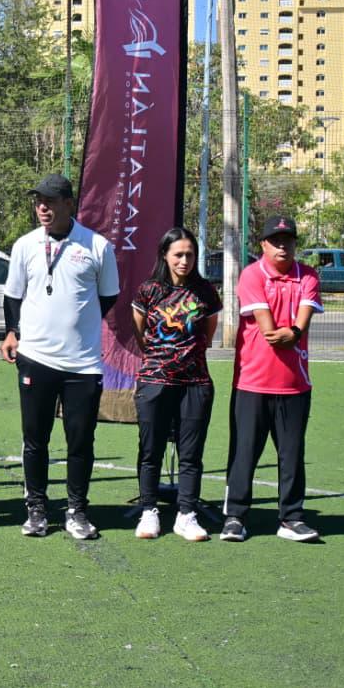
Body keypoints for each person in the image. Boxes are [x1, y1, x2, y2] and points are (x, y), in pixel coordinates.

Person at [1, 173, 119, 540]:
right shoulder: (24, 245)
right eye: (38, 200)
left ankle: (77, 511)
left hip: (82, 364)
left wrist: (76, 325)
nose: (42, 207)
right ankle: (36, 509)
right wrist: (13, 332)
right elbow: (13, 295)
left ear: (70, 204)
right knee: (35, 438)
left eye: (50, 201)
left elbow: (108, 297)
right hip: (35, 357)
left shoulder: (98, 246)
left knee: (80, 440)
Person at [221, 215, 323, 543]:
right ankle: (235, 517)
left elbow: (297, 329)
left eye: (288, 240)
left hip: (295, 385)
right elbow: (270, 333)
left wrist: (293, 330)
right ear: (263, 244)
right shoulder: (251, 275)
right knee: (244, 453)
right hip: (252, 383)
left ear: (295, 243)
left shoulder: (308, 276)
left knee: (291, 453)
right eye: (275, 240)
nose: (282, 245)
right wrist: (290, 330)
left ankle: (291, 518)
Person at [130, 227, 221, 541]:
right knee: (150, 450)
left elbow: (207, 335)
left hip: (195, 382)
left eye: (190, 255)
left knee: (190, 453)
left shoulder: (206, 292)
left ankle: (187, 514)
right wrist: (162, 361)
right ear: (165, 256)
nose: (184, 260)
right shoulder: (149, 290)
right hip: (155, 381)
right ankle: (149, 512)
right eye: (178, 254)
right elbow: (141, 334)